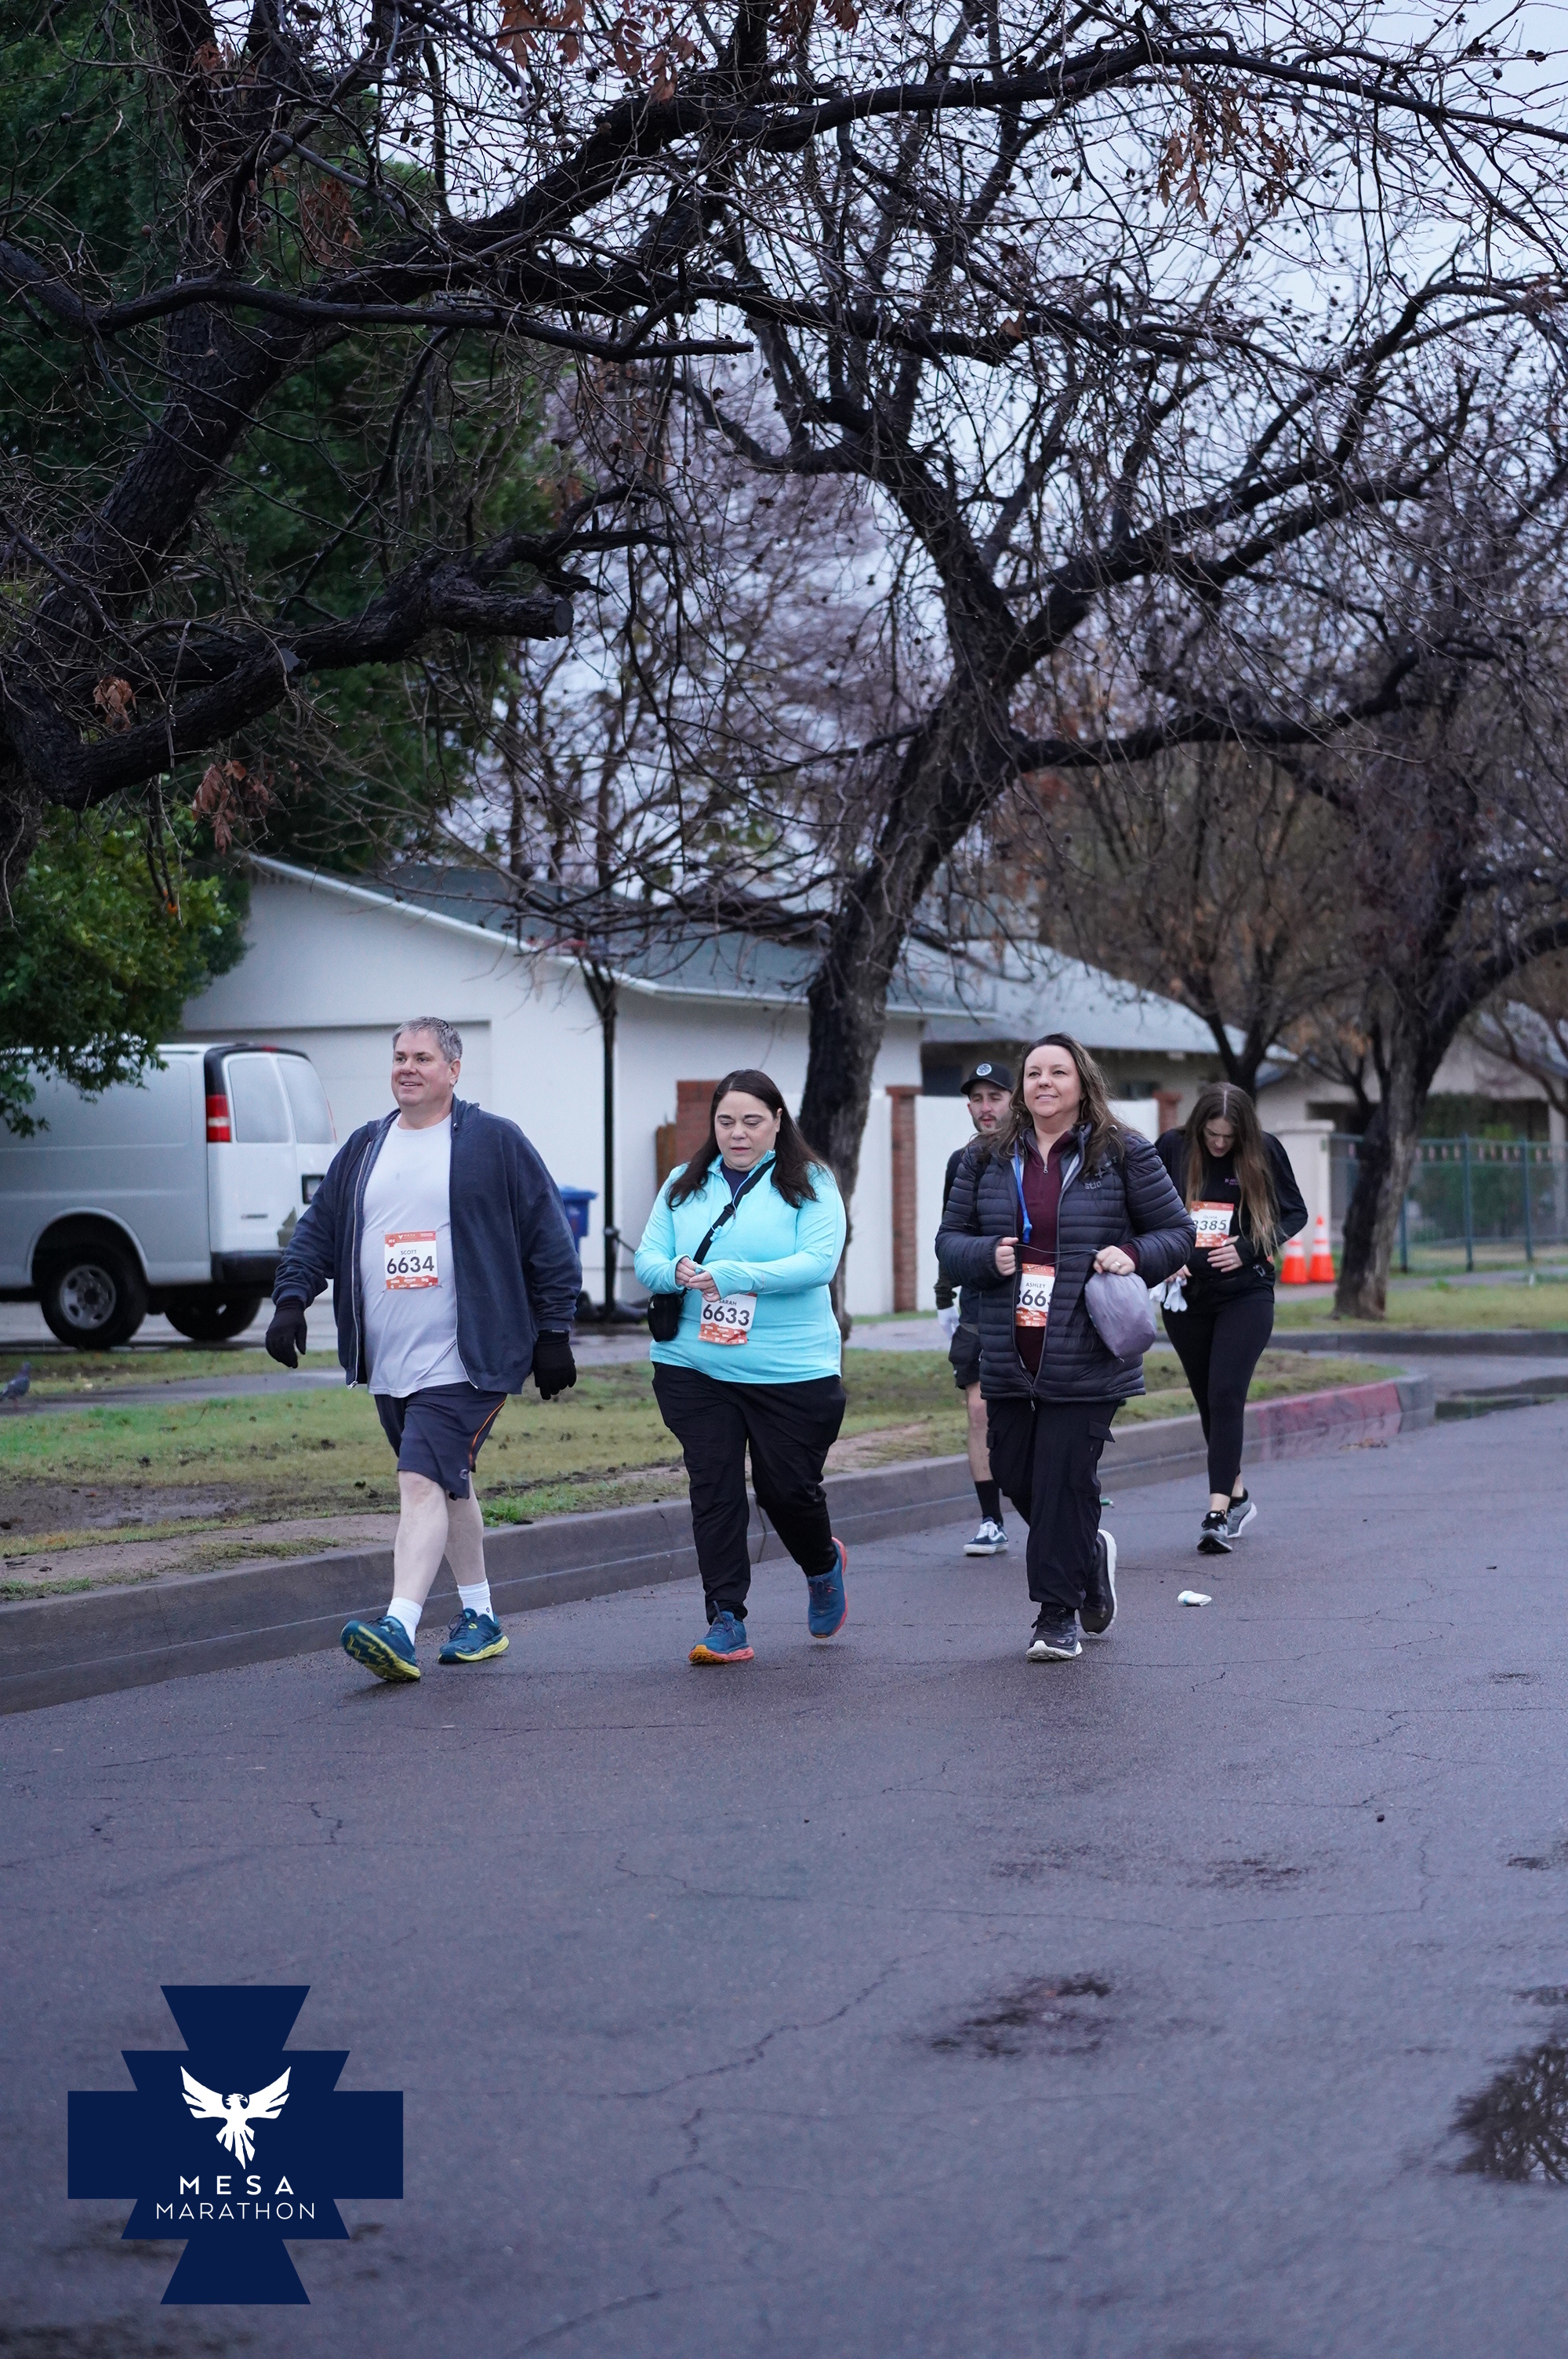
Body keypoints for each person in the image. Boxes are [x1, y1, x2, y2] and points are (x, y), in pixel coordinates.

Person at [267, 1018, 582, 1683]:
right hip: (390, 1360)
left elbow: (549, 1237)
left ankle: (399, 1628)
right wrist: (291, 1300)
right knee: (445, 1483)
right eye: (400, 1057)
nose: (407, 1068)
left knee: (418, 1480)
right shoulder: (366, 1146)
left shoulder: (494, 1142)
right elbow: (318, 1229)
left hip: (469, 1356)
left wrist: (554, 1331)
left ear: (454, 1070)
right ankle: (481, 1617)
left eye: (423, 1058)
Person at [937, 1034, 1193, 1663]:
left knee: (1063, 1478)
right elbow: (949, 1243)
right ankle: (1086, 1556)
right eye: (1034, 1073)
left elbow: (1177, 1233)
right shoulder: (983, 1158)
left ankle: (1056, 1618)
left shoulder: (1123, 1152)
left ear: (1082, 1083)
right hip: (1009, 1345)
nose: (1044, 1083)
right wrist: (986, 1255)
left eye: (1058, 1072)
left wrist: (1132, 1253)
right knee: (1015, 1471)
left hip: (1087, 1346)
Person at [634, 1069, 849, 1666]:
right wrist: (674, 1270)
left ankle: (822, 1564)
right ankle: (726, 1617)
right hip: (693, 1362)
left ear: (778, 1121)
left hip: (790, 1368)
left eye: (752, 1121)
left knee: (787, 1491)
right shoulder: (684, 1182)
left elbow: (819, 1262)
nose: (738, 1133)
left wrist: (737, 1276)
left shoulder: (811, 1182)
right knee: (714, 1486)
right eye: (726, 1121)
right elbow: (648, 1258)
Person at [1153, 1083, 1308, 1554]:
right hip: (1186, 1296)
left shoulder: (1264, 1150)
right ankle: (1237, 1496)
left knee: (1225, 1392)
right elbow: (1143, 1209)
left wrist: (1249, 1248)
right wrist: (1164, 1256)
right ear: (1198, 1126)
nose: (1219, 1144)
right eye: (1212, 1135)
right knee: (1209, 1401)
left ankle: (1217, 1514)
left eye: (1228, 1137)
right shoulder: (1173, 1148)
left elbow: (1295, 1213)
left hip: (1246, 1294)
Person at [935, 1063, 1014, 1556]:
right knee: (979, 1407)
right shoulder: (962, 1162)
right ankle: (990, 1520)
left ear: (1015, 1101)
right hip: (979, 1303)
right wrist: (944, 1297)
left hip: (1034, 1300)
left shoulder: (1037, 1154)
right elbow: (950, 1235)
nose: (986, 1108)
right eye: (978, 1099)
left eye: (995, 1097)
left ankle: (1058, 1508)